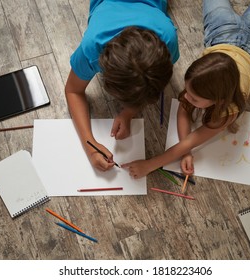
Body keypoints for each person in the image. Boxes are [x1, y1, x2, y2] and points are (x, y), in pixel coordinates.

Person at [122, 0, 250, 178]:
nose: (186, 98)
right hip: (221, 31)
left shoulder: (229, 111)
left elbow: (191, 140)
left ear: (219, 100)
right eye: (188, 92)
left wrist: (150, 164)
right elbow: (184, 112)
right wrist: (186, 152)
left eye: (194, 99)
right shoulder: (200, 82)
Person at [65, 0, 179, 172]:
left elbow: (74, 90)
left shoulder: (168, 39)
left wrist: (128, 112)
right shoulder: (93, 47)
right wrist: (90, 146)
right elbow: (73, 91)